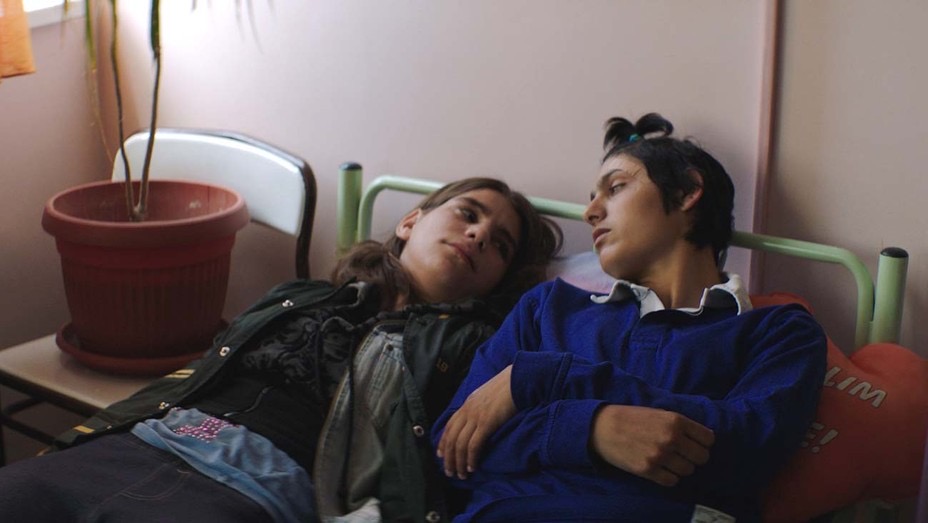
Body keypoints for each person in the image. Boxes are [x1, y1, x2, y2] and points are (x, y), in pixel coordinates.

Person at [0, 177, 562, 523]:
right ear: (410, 222)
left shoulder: (470, 348)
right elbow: (200, 373)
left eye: (499, 245)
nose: (478, 235)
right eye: (468, 213)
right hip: (139, 445)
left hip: (251, 491)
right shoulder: (300, 296)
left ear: (499, 282)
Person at [432, 113, 828, 522]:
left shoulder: (780, 332)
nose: (590, 213)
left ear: (688, 191)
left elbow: (744, 450)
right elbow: (452, 451)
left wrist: (547, 379)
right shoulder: (546, 308)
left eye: (616, 187)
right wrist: (590, 429)